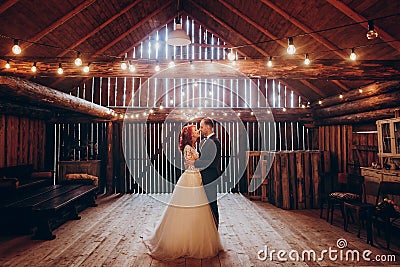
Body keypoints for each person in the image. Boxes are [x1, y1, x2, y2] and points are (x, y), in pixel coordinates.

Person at [142, 125, 223, 261]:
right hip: (191, 178)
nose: (199, 131)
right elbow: (190, 163)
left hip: (197, 177)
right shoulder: (188, 148)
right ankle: (186, 239)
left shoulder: (194, 146)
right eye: (196, 130)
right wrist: (199, 163)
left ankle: (196, 236)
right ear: (190, 135)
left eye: (200, 128)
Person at [195, 118, 221, 229]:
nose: (200, 129)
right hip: (205, 175)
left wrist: (194, 163)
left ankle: (215, 229)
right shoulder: (207, 141)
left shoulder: (215, 142)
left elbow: (212, 162)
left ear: (208, 127)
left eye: (201, 127)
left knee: (212, 203)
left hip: (210, 176)